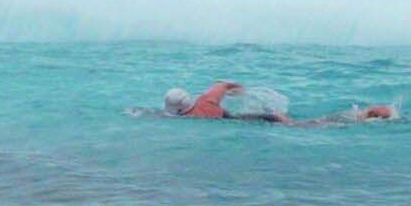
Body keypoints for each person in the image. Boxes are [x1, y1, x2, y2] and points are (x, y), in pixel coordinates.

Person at [164, 81, 395, 124]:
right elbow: (224, 84)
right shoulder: (208, 100)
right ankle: (363, 115)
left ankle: (368, 115)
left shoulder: (195, 117)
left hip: (260, 121)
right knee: (311, 123)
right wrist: (239, 91)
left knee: (309, 126)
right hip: (256, 118)